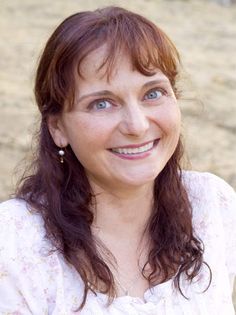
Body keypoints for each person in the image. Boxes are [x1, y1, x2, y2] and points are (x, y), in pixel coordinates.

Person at [0, 6, 235, 315]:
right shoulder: (14, 245)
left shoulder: (212, 206)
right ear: (58, 127)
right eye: (102, 103)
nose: (137, 125)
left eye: (153, 93)